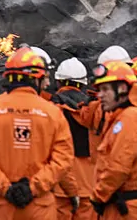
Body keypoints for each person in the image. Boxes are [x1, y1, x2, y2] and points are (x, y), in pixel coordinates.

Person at [0, 47, 74, 220]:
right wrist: (33, 188)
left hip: (0, 207)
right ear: (36, 79)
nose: (47, 84)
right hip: (39, 208)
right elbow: (63, 158)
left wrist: (5, 188)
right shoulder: (52, 113)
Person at [90, 61, 137, 220]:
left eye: (105, 90)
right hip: (122, 205)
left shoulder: (130, 119)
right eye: (99, 90)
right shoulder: (122, 118)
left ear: (122, 89)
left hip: (127, 208)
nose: (100, 95)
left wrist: (99, 195)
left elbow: (118, 166)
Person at [52, 58, 95, 220]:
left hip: (59, 186)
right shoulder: (95, 110)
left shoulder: (51, 110)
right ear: (83, 84)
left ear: (58, 82)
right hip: (89, 185)